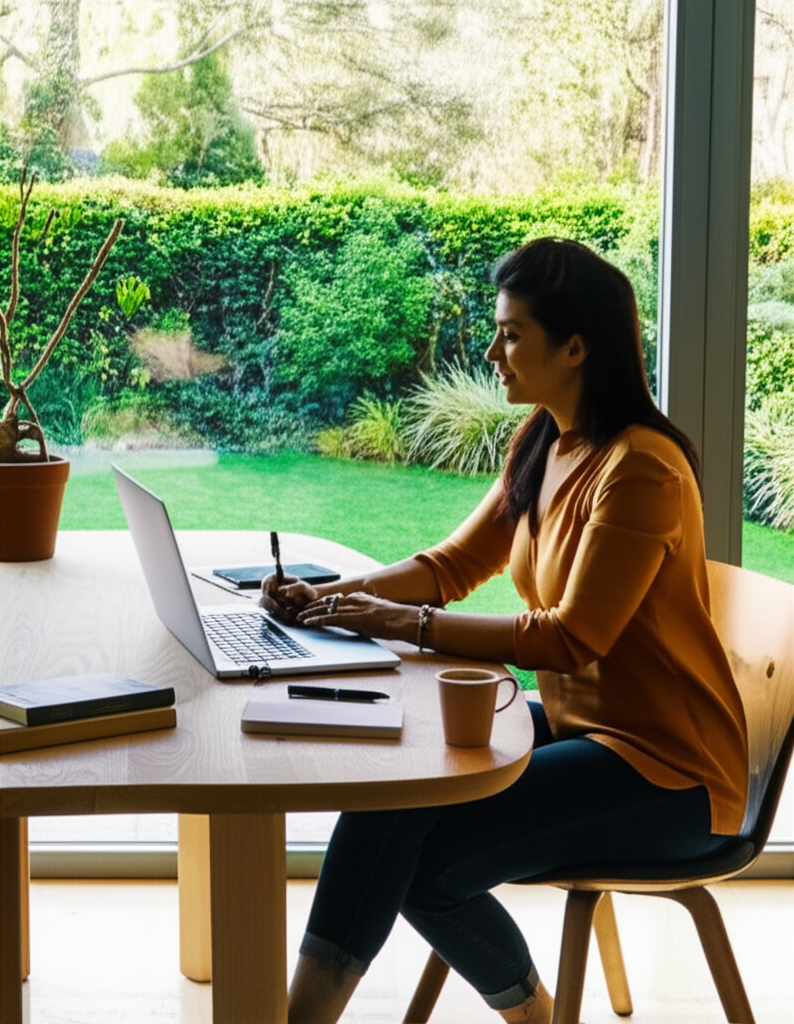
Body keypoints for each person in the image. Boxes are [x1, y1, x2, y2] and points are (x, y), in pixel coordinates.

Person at [260, 237, 749, 1024]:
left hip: (669, 772)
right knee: (393, 797)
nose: (493, 351)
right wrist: (331, 598)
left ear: (577, 346)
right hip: (577, 727)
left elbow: (568, 638)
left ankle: (528, 1016)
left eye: (512, 333)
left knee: (428, 866)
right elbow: (453, 564)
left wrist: (410, 625)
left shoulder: (640, 469)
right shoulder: (543, 441)